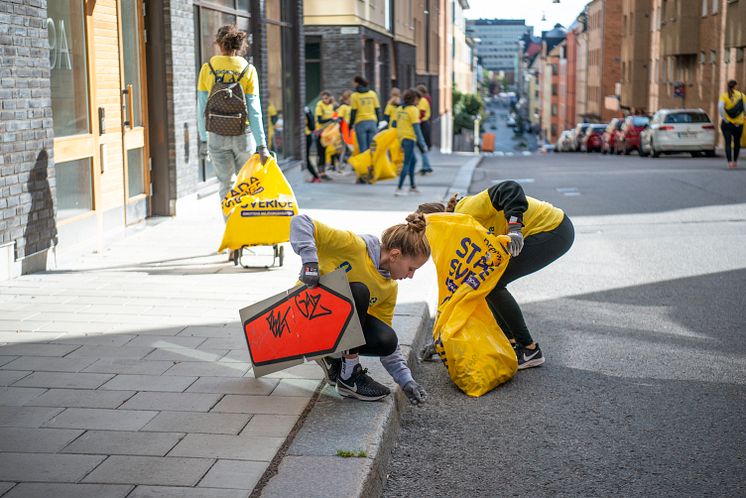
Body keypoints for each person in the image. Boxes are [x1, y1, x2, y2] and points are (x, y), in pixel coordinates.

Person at [418, 181, 574, 369]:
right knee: (486, 284)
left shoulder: (466, 210)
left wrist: (514, 229)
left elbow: (510, 188)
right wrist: (442, 342)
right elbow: (458, 294)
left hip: (553, 229)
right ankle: (511, 342)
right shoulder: (459, 233)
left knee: (493, 283)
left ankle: (529, 348)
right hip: (547, 231)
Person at [290, 212, 430, 404]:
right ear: (395, 255)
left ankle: (334, 359)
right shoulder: (354, 246)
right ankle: (349, 375)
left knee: (387, 339)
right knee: (358, 291)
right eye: (411, 268)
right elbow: (301, 221)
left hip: (328, 327)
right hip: (302, 314)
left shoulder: (389, 288)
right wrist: (310, 262)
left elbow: (386, 342)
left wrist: (407, 381)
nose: (411, 275)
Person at [197, 24, 269, 206]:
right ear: (239, 46)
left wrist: (204, 139)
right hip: (243, 135)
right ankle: (246, 228)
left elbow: (202, 107)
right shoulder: (248, 70)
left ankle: (231, 228)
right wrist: (262, 145)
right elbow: (254, 110)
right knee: (246, 185)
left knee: (225, 185)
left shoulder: (208, 68)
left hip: (216, 135)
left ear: (219, 44)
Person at [392, 89, 428, 197]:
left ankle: (412, 186)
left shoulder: (399, 109)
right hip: (409, 138)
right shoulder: (413, 110)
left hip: (402, 138)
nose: (419, 102)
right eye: (418, 100)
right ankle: (399, 188)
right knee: (407, 163)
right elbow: (416, 128)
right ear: (414, 99)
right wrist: (422, 143)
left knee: (413, 161)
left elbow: (394, 124)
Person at [350, 75, 382, 153]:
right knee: (373, 148)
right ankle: (373, 164)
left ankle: (365, 164)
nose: (352, 84)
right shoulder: (372, 94)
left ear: (357, 83)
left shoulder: (354, 96)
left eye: (353, 82)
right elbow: (377, 109)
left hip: (360, 123)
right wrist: (378, 122)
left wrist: (350, 124)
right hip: (372, 122)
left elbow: (353, 112)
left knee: (363, 148)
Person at [718, 79, 744, 169]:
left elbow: (720, 107)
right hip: (739, 123)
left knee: (728, 143)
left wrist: (725, 118)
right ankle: (735, 162)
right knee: (737, 143)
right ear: (735, 86)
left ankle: (729, 162)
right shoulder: (741, 96)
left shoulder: (724, 96)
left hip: (727, 123)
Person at [314, 91, 335, 180]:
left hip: (328, 133)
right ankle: (321, 173)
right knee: (321, 153)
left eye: (326, 98)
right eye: (323, 98)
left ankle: (323, 172)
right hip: (320, 132)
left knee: (327, 152)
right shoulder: (320, 105)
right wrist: (331, 119)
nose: (325, 100)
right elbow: (320, 121)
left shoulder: (330, 106)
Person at [416, 85, 434, 174]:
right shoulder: (425, 99)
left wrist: (417, 120)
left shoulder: (422, 100)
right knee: (422, 146)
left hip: (422, 123)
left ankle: (426, 166)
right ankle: (426, 166)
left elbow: (422, 113)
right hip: (424, 123)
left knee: (422, 145)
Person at [304, 106, 321, 183]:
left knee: (306, 159)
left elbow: (312, 127)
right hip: (308, 136)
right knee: (306, 158)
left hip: (306, 137)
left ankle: (316, 176)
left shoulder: (304, 112)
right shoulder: (307, 110)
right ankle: (315, 176)